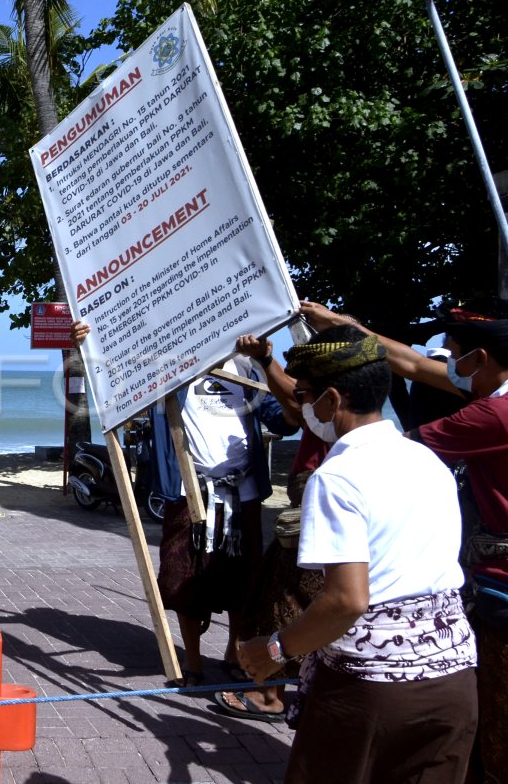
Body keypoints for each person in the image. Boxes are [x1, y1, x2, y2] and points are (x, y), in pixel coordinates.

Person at [238, 326, 477, 783]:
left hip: (371, 689)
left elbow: (347, 600)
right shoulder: (428, 459)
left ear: (331, 399)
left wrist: (272, 651)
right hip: (453, 677)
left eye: (304, 394)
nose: (302, 405)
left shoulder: (338, 476)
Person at [300, 300, 508, 780]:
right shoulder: (453, 444)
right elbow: (414, 364)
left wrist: (273, 650)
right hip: (451, 667)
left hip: (386, 673)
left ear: (480, 359)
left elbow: (346, 600)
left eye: (453, 355)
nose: (447, 367)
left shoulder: (485, 420)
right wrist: (351, 329)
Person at [71, 321, 296, 687]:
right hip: (188, 491)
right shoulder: (166, 368)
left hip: (244, 494)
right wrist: (87, 346)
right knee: (182, 579)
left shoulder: (247, 366)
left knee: (244, 579)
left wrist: (268, 360)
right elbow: (115, 388)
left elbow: (285, 421)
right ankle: (192, 663)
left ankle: (234, 654)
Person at [213, 334, 327, 723]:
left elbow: (291, 413)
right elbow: (288, 415)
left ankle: (270, 693)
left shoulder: (326, 407)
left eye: (306, 384)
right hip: (305, 500)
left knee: (283, 600)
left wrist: (263, 360)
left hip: (315, 506)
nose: (300, 388)